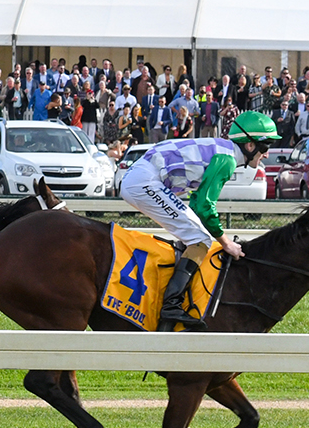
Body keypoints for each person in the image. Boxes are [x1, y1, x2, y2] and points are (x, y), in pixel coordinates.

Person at [118, 109, 279, 330]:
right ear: (250, 146)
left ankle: (178, 291)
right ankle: (171, 304)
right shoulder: (227, 159)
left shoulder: (224, 151)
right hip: (144, 181)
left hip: (144, 177)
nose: (267, 154)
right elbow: (204, 206)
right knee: (201, 239)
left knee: (195, 234)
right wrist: (226, 243)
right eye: (266, 147)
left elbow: (197, 204)